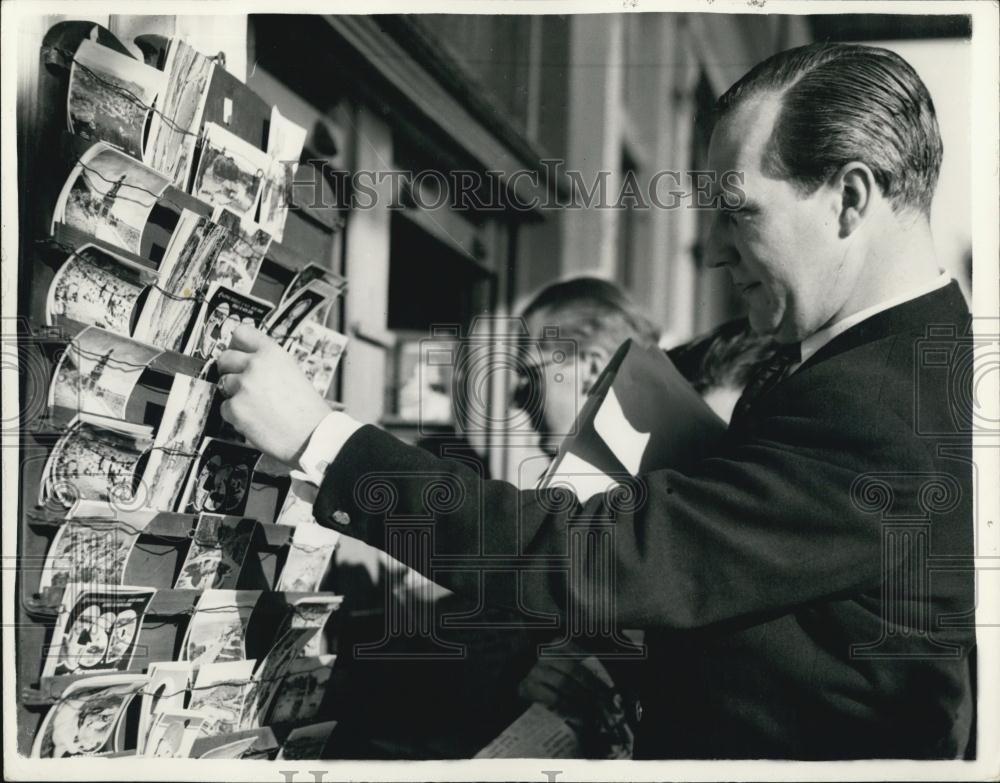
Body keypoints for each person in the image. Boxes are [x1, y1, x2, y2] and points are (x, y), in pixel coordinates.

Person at [216, 42, 974, 759]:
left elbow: (601, 556)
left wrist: (325, 439)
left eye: (740, 211)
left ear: (849, 196)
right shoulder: (884, 366)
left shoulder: (880, 399)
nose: (714, 249)